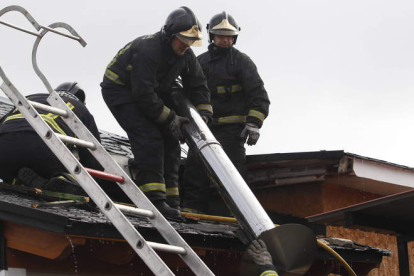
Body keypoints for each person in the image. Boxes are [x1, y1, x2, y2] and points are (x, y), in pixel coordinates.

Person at [100, 6, 213, 219]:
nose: (187, 45)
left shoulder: (185, 54)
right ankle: (153, 200)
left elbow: (198, 84)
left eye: (191, 41)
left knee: (170, 142)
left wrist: (204, 115)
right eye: (183, 39)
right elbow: (143, 94)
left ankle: (172, 202)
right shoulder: (148, 49)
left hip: (149, 93)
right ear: (170, 35)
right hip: (121, 92)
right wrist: (171, 118)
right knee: (149, 136)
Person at [182, 11, 270, 214]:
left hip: (233, 132)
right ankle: (191, 213)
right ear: (212, 36)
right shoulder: (199, 62)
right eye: (221, 35)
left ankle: (238, 216)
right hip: (202, 129)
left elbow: (259, 96)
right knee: (195, 171)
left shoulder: (242, 62)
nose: (225, 39)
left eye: (229, 36)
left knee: (234, 176)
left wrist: (254, 123)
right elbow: (185, 95)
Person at [0, 82, 102, 195]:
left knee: (9, 170)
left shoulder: (30, 98)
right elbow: (94, 158)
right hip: (42, 146)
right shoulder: (80, 109)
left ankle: (19, 182)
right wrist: (92, 188)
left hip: (4, 146)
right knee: (74, 174)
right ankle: (63, 182)